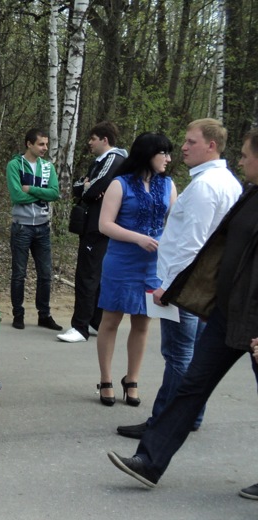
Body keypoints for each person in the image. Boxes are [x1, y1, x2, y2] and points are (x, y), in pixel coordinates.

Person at [107, 128, 258, 501]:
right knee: (192, 383)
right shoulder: (250, 192)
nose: (239, 160)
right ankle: (149, 462)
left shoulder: (211, 186)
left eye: (245, 154)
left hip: (254, 320)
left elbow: (191, 241)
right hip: (228, 311)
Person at [116, 119, 241, 438]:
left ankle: (166, 422)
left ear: (211, 145)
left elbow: (193, 244)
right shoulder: (228, 181)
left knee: (179, 355)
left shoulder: (205, 186)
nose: (183, 148)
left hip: (187, 287)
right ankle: (190, 416)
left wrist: (169, 287)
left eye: (191, 142)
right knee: (194, 354)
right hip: (203, 285)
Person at [94, 132, 176, 406]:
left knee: (143, 323)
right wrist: (137, 237)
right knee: (111, 320)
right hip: (122, 260)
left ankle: (132, 379)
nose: (168, 159)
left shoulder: (168, 185)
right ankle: (105, 379)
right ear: (147, 154)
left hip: (154, 265)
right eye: (163, 153)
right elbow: (104, 225)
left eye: (169, 153)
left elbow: (174, 225)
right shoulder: (120, 184)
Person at [58, 122, 128, 343]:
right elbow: (78, 187)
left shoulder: (114, 160)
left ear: (104, 140)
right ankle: (94, 320)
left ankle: (80, 327)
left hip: (99, 227)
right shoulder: (100, 162)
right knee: (95, 275)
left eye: (93, 138)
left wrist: (89, 187)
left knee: (87, 275)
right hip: (94, 225)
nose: (89, 142)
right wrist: (86, 187)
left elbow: (94, 187)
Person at [6, 128, 62, 331]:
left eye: (46, 144)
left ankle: (44, 315)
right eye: (41, 144)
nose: (44, 148)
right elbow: (16, 196)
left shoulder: (48, 167)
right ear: (29, 144)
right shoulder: (14, 165)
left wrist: (30, 189)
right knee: (19, 273)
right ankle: (18, 314)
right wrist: (42, 194)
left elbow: (55, 193)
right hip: (22, 227)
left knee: (45, 274)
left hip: (42, 227)